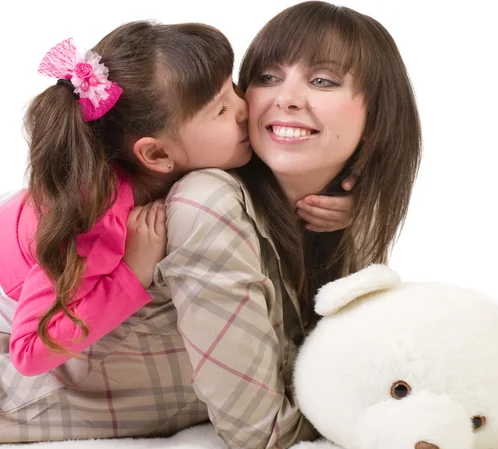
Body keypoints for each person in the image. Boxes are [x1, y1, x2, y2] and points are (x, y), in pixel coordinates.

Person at [0, 2, 498, 449]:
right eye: (267, 77)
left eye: (324, 81)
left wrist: (497, 395)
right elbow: (262, 430)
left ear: (376, 116)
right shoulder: (198, 202)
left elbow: (337, 362)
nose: (283, 100)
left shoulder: (316, 216)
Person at [0, 20, 352, 379]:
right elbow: (29, 353)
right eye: (220, 110)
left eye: (231, 87)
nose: (244, 107)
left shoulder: (179, 158)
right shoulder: (90, 225)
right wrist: (132, 272)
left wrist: (346, 203)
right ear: (155, 154)